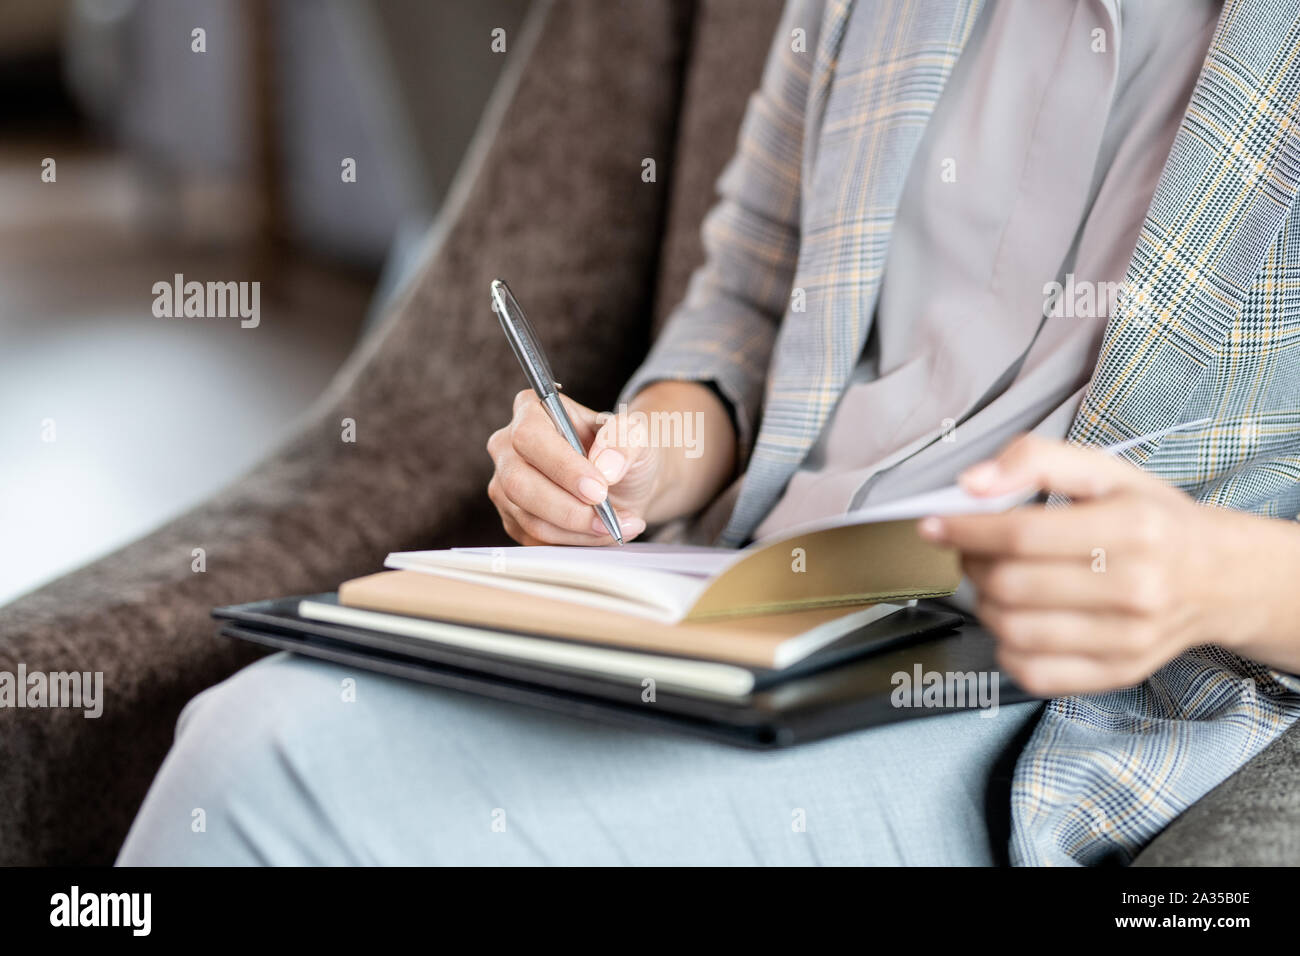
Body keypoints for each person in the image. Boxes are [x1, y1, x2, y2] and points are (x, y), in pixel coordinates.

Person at [118, 0, 1300, 866]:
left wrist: (1211, 579)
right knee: (245, 730)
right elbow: (742, 298)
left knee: (271, 783)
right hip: (771, 607)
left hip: (1042, 702)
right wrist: (644, 452)